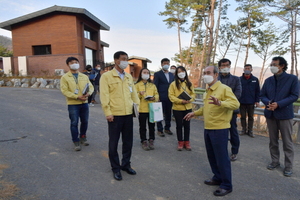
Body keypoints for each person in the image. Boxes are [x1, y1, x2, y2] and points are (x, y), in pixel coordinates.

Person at [184, 66, 239, 197]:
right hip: (208, 127)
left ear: (216, 74)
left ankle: (226, 185)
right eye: (204, 73)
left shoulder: (224, 89)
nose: (205, 75)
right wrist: (195, 113)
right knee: (212, 156)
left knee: (222, 158)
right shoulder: (207, 91)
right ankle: (217, 177)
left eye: (208, 73)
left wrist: (221, 103)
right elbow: (206, 108)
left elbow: (236, 104)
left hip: (220, 128)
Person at [100, 51, 140, 181]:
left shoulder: (128, 77)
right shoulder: (106, 76)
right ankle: (116, 168)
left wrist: (137, 107)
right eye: (123, 59)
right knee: (114, 143)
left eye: (127, 59)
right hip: (115, 115)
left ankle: (126, 164)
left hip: (128, 114)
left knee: (128, 142)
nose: (126, 62)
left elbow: (133, 94)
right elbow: (104, 96)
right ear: (116, 60)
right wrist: (108, 112)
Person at [260, 56, 299, 177]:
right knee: (273, 140)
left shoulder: (292, 79)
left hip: (285, 114)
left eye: (274, 64)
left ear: (282, 66)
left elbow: (294, 95)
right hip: (270, 114)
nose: (272, 67)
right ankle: (275, 161)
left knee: (287, 142)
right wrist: (269, 103)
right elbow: (262, 95)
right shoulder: (268, 80)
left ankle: (288, 166)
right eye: (271, 64)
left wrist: (279, 104)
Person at [60, 57, 94, 151]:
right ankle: (76, 141)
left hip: (84, 103)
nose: (74, 64)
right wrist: (77, 97)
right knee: (74, 123)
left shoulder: (84, 76)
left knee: (85, 121)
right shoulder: (65, 77)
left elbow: (91, 87)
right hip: (73, 104)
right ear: (68, 65)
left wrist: (88, 93)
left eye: (76, 62)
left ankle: (83, 137)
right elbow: (64, 91)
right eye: (72, 63)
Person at [218, 58, 241, 161]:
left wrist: (224, 103)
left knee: (233, 131)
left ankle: (234, 151)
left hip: (231, 110)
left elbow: (238, 94)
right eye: (222, 66)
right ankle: (221, 151)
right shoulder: (215, 78)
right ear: (219, 67)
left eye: (227, 65)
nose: (224, 67)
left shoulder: (236, 79)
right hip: (218, 110)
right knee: (220, 132)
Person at [168, 66, 195, 151]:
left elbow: (193, 94)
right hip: (177, 108)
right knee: (179, 125)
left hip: (188, 108)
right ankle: (180, 141)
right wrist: (180, 101)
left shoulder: (189, 83)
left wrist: (190, 99)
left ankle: (187, 142)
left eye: (182, 71)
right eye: (179, 72)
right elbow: (171, 96)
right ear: (176, 74)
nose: (181, 73)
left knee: (187, 126)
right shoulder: (173, 84)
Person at [135, 68, 159, 150]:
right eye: (144, 72)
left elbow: (157, 95)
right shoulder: (137, 85)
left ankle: (151, 140)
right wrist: (139, 94)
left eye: (147, 73)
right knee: (142, 126)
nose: (146, 74)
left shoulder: (152, 85)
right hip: (142, 109)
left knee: (152, 125)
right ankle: (143, 140)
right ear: (141, 74)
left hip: (151, 108)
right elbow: (133, 97)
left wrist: (154, 98)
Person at [153, 58, 175, 137]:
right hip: (161, 97)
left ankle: (167, 128)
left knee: (168, 113)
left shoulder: (171, 75)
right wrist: (157, 96)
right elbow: (155, 86)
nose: (167, 65)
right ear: (162, 64)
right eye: (165, 63)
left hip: (170, 97)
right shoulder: (157, 74)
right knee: (159, 114)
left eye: (168, 63)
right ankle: (159, 129)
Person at [239, 64, 260, 138]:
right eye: (246, 68)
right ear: (243, 69)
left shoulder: (255, 79)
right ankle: (243, 129)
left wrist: (257, 101)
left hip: (251, 102)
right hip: (241, 101)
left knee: (251, 117)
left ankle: (250, 131)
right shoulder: (239, 79)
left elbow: (258, 91)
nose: (247, 69)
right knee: (243, 116)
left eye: (248, 68)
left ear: (251, 70)